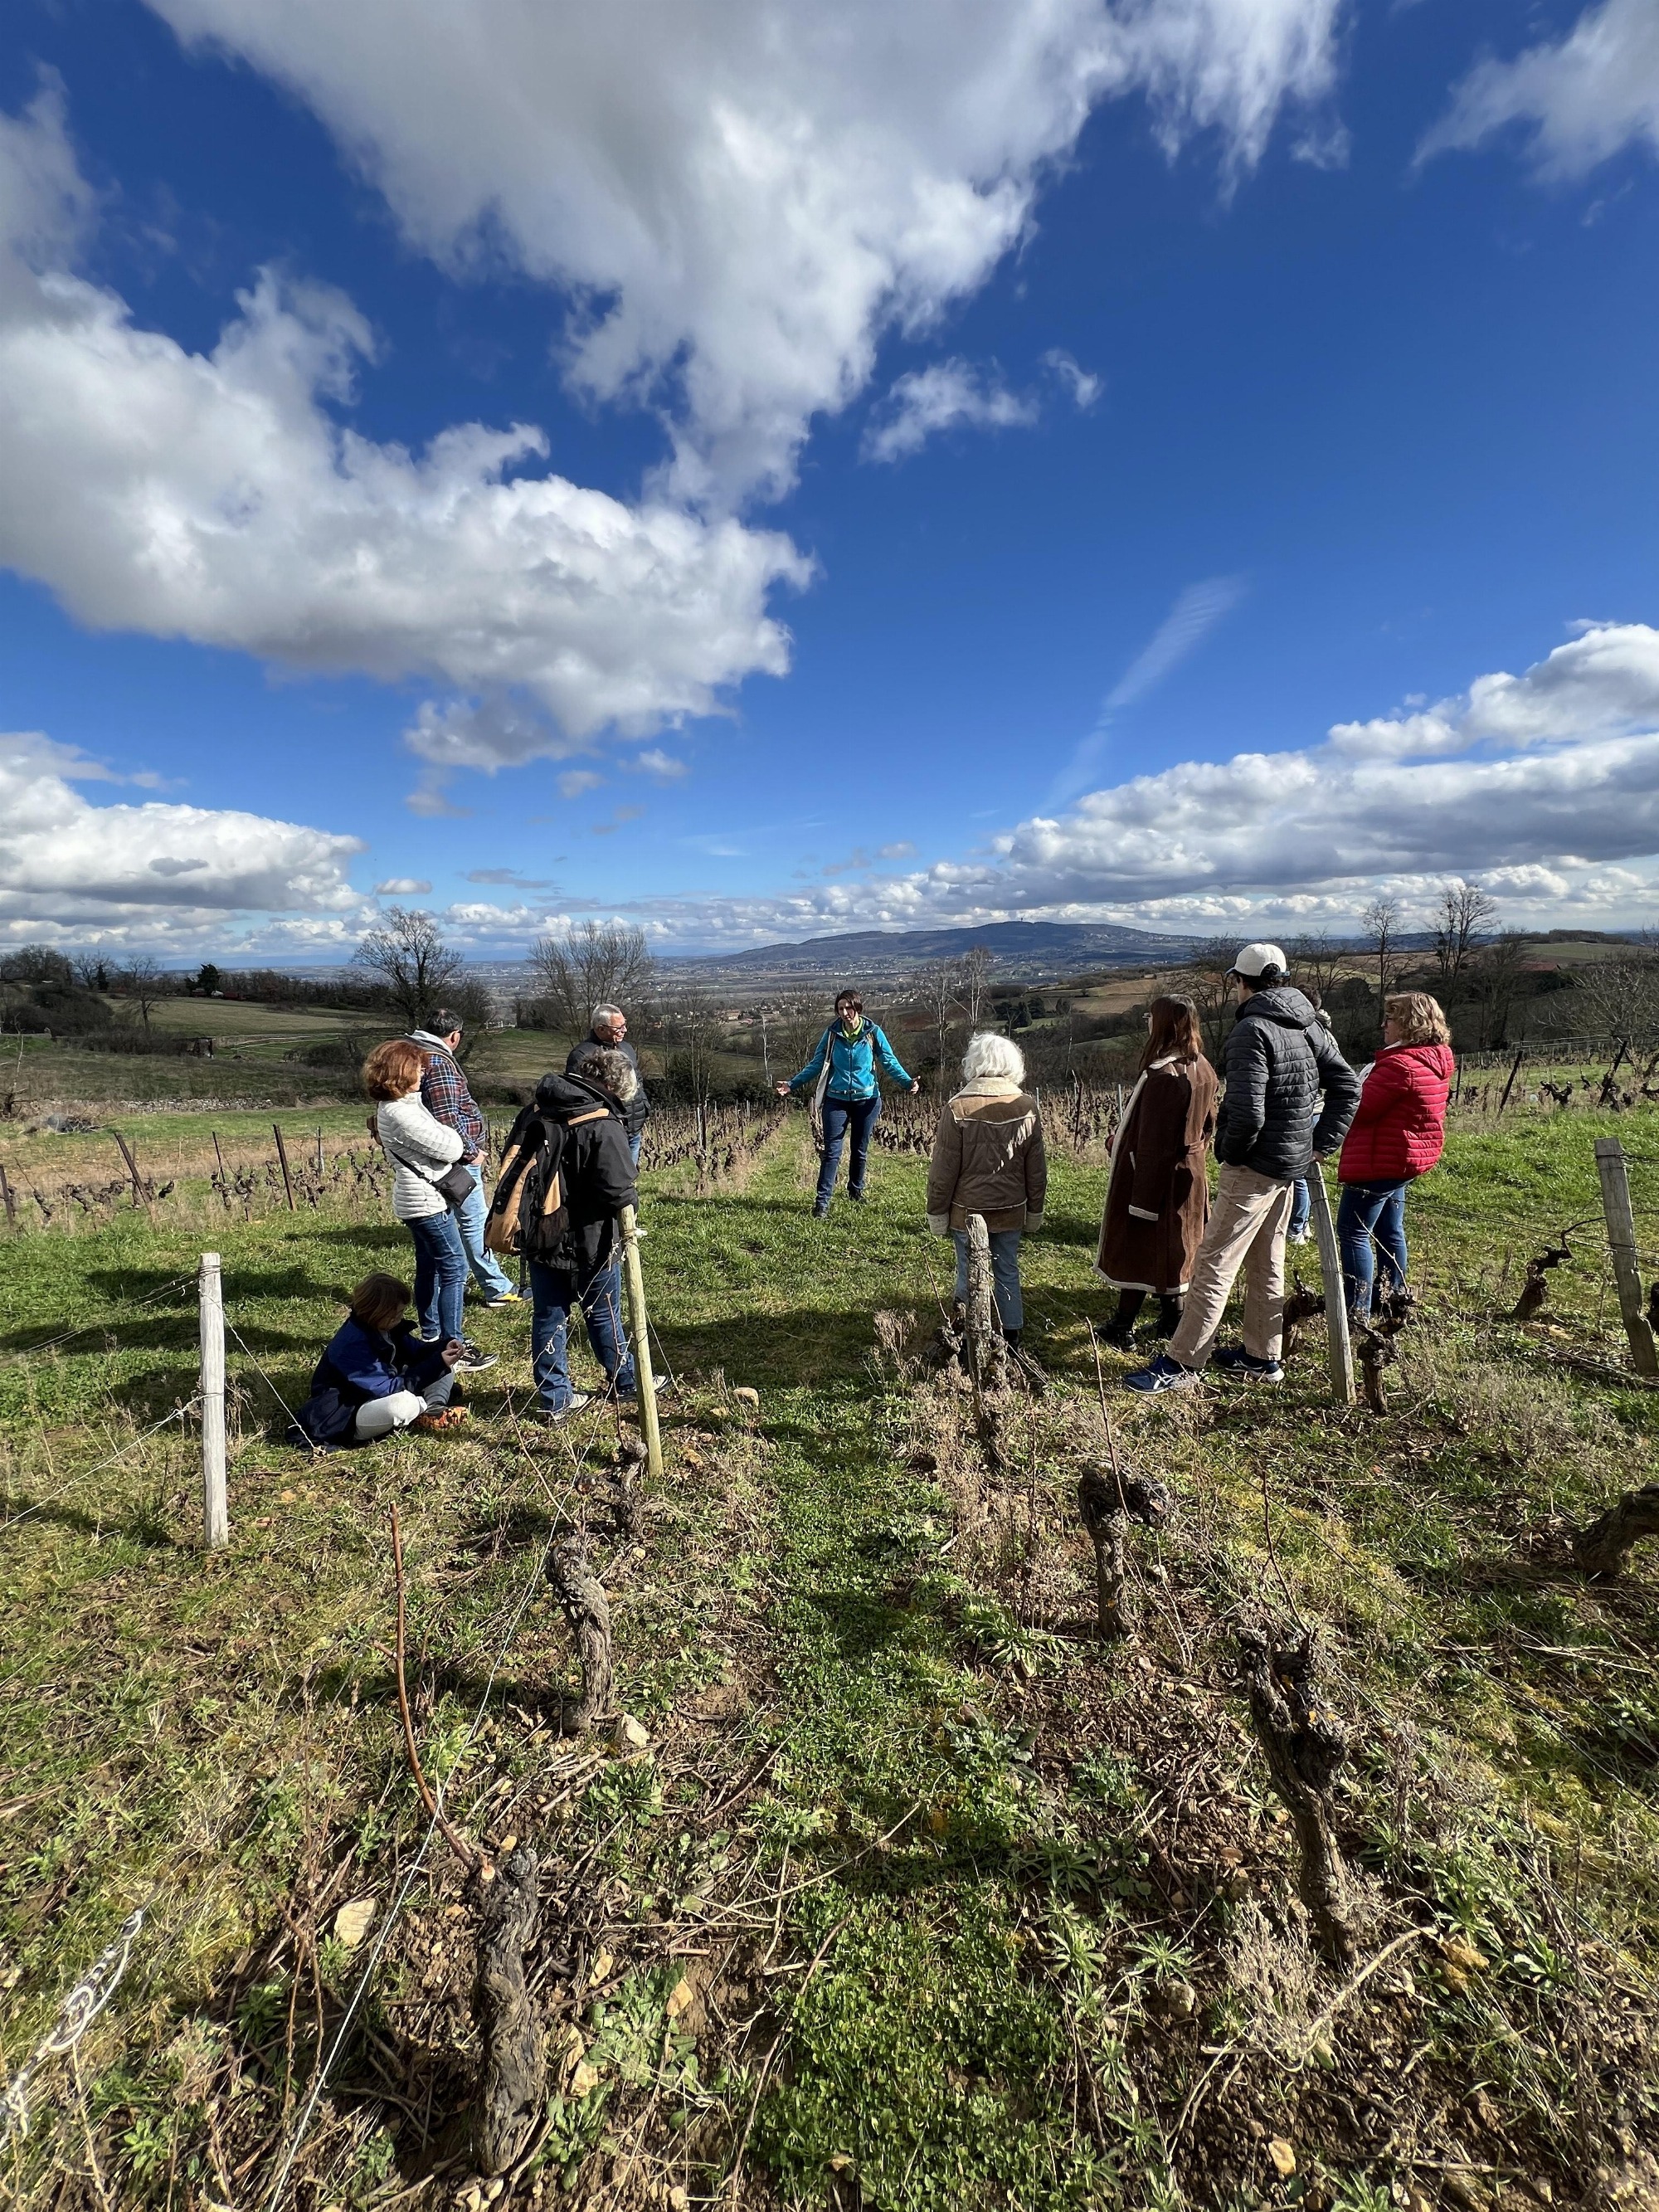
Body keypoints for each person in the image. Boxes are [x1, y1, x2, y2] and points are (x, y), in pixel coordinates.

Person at [1127, 943, 1360, 1392]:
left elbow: (1249, 1112)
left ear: (1241, 981)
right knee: (1267, 1259)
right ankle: (1262, 1357)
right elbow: (1348, 1086)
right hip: (1289, 1164)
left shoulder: (1252, 1030)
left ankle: (1182, 1362)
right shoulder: (1309, 1023)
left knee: (1214, 1262)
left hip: (1254, 1166)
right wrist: (1318, 1145)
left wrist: (1233, 1153)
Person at [499, 1045, 655, 1420]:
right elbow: (617, 1190)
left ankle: (556, 1398)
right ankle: (626, 1381)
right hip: (590, 1237)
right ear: (615, 1086)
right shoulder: (601, 1122)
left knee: (548, 1315)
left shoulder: (536, 1109)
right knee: (603, 1310)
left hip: (540, 1230)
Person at [365, 1039, 499, 1366]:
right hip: (426, 1203)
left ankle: (432, 1334)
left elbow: (441, 1136)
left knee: (430, 1267)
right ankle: (453, 1348)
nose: (423, 1073)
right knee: (454, 1267)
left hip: (420, 1199)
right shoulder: (400, 1113)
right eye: (418, 1068)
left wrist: (444, 1132)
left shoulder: (405, 1105)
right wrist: (453, 1136)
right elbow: (453, 1147)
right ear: (400, 1072)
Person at [1097, 996, 1217, 1348]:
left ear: (1164, 1023)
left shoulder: (1163, 1076)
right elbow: (1209, 1124)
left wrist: (1142, 1198)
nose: (1147, 1022)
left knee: (1141, 1246)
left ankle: (1122, 1327)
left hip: (1156, 1178)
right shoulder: (1202, 1066)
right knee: (1172, 1246)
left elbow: (1153, 1144)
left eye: (1151, 1017)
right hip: (1188, 1174)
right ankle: (1172, 1317)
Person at [1335, 992, 1454, 1323]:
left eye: (1389, 1018)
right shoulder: (1435, 1057)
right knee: (1390, 1228)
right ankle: (1392, 1296)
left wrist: (1344, 1089)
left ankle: (1356, 1310)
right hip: (1405, 1156)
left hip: (1380, 1159)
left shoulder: (1400, 1065)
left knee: (1354, 1231)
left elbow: (1361, 1108)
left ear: (1407, 1024)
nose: (1383, 1025)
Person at [925, 1031, 1047, 1349]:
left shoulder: (958, 1107)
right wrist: (1035, 1210)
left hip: (967, 1210)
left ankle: (966, 1335)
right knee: (1007, 1268)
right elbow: (1036, 1170)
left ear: (974, 1062)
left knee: (968, 1271)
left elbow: (943, 1170)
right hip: (1011, 1207)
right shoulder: (1026, 1106)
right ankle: (1011, 1334)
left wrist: (937, 1212)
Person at [409, 1008, 522, 1311]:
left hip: (435, 1158)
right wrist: (470, 1151)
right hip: (456, 1160)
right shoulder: (438, 1062)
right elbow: (447, 1116)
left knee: (445, 1222)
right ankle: (496, 1288)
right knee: (473, 1221)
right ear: (454, 1036)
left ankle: (449, 1284)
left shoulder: (414, 1052)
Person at [776, 990, 918, 1218]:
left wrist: (907, 1082)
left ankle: (855, 1191)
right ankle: (822, 1203)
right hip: (836, 1100)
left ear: (858, 1008)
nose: (844, 1013)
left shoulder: (872, 1033)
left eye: (848, 1008)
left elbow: (889, 1061)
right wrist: (792, 1084)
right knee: (831, 1152)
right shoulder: (832, 1034)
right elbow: (816, 1063)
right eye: (840, 1008)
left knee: (859, 1150)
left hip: (867, 1100)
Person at [289, 1274, 468, 1449]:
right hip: (350, 1412)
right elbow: (386, 1389)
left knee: (445, 1366)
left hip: (384, 1390)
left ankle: (434, 1407)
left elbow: (418, 1351)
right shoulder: (351, 1346)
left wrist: (443, 1347)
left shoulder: (384, 1326)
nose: (401, 1318)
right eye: (397, 1314)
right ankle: (424, 1407)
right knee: (404, 1405)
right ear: (379, 1313)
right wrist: (435, 1365)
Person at [566, 1003, 650, 1168]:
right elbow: (580, 1098)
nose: (624, 1030)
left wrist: (645, 1106)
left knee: (629, 1177)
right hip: (608, 1133)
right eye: (619, 1027)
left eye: (625, 1025)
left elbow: (638, 1080)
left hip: (634, 1129)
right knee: (611, 1177)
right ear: (601, 1029)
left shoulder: (627, 1048)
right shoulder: (582, 1055)